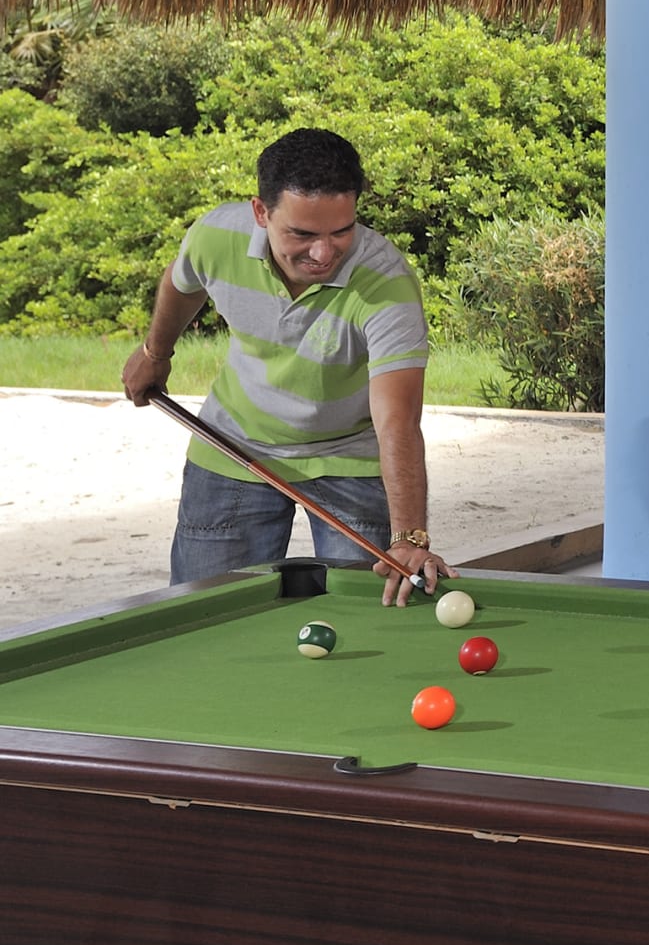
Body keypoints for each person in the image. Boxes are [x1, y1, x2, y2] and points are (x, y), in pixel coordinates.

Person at [121, 127, 449, 604]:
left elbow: (397, 421)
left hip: (348, 457)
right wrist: (156, 353)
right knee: (205, 612)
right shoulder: (217, 236)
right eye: (302, 234)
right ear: (261, 212)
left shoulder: (386, 285)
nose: (323, 252)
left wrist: (409, 538)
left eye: (341, 231)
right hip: (233, 446)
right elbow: (182, 282)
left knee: (372, 612)